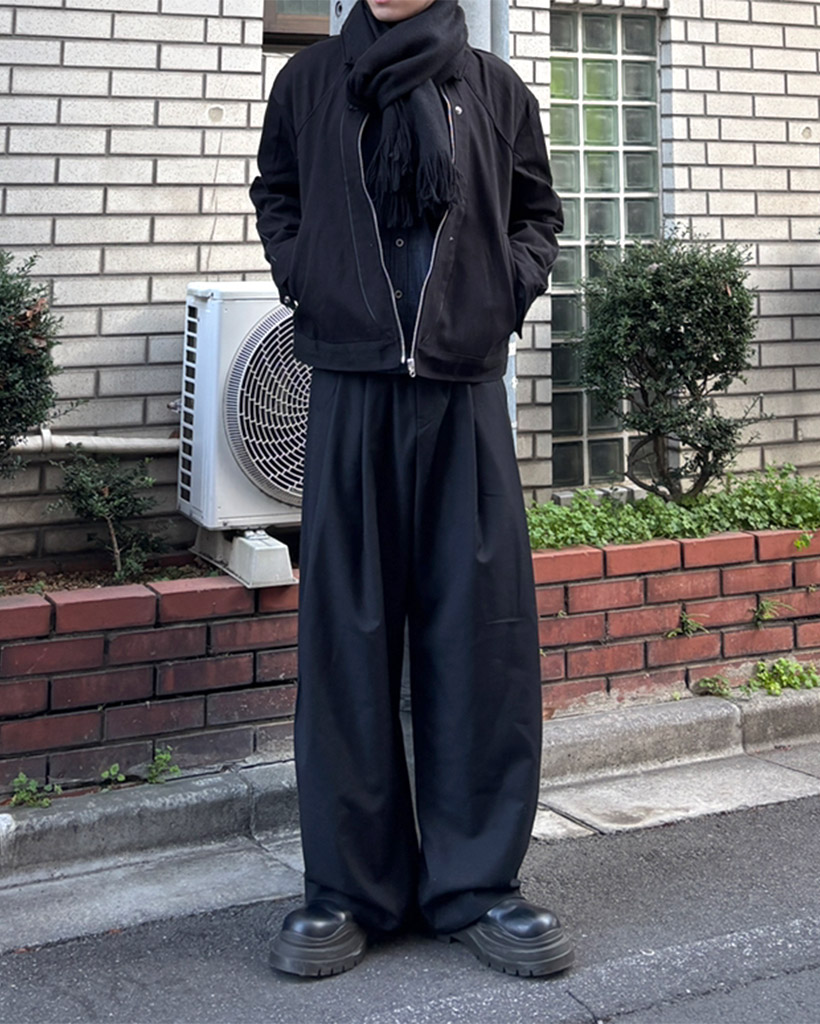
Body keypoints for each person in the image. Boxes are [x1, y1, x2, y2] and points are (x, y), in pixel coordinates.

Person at [250, 0, 570, 979]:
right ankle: (349, 889)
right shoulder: (308, 83)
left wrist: (496, 296)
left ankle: (476, 884)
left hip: (462, 391)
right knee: (345, 640)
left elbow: (537, 215)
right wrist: (308, 277)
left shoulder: (493, 88)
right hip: (349, 388)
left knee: (481, 638)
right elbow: (278, 194)